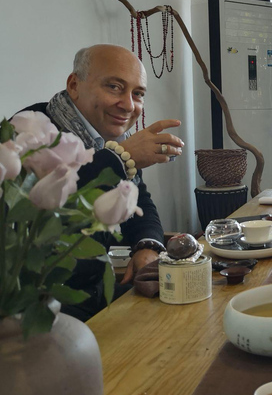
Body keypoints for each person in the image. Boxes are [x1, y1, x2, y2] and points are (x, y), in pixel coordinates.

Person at [20, 44, 184, 321]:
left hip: (96, 293)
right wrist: (120, 158)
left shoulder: (112, 137)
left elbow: (139, 203)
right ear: (74, 85)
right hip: (39, 307)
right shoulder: (31, 130)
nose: (129, 105)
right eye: (114, 87)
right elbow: (40, 215)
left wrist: (148, 246)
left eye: (138, 94)